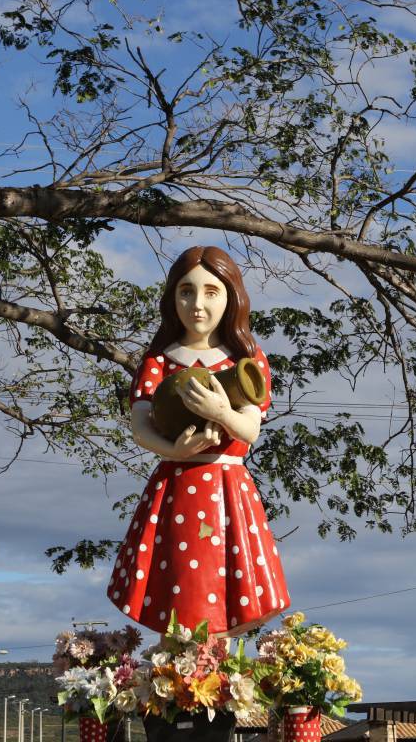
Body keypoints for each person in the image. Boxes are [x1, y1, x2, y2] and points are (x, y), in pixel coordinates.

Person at [106, 246, 290, 635]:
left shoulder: (247, 358)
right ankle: (180, 676)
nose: (198, 304)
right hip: (177, 491)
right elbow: (140, 424)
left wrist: (221, 412)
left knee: (226, 588)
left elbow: (250, 429)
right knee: (178, 587)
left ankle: (217, 675)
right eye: (187, 291)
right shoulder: (159, 360)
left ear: (231, 297)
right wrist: (172, 450)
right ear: (173, 297)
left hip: (228, 490)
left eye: (211, 291)